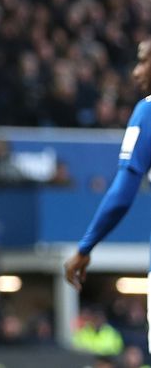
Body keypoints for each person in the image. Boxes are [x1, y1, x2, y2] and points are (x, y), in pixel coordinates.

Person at [65, 40, 151, 330]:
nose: (136, 71)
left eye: (143, 61)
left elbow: (122, 193)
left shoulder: (147, 112)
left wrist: (85, 247)